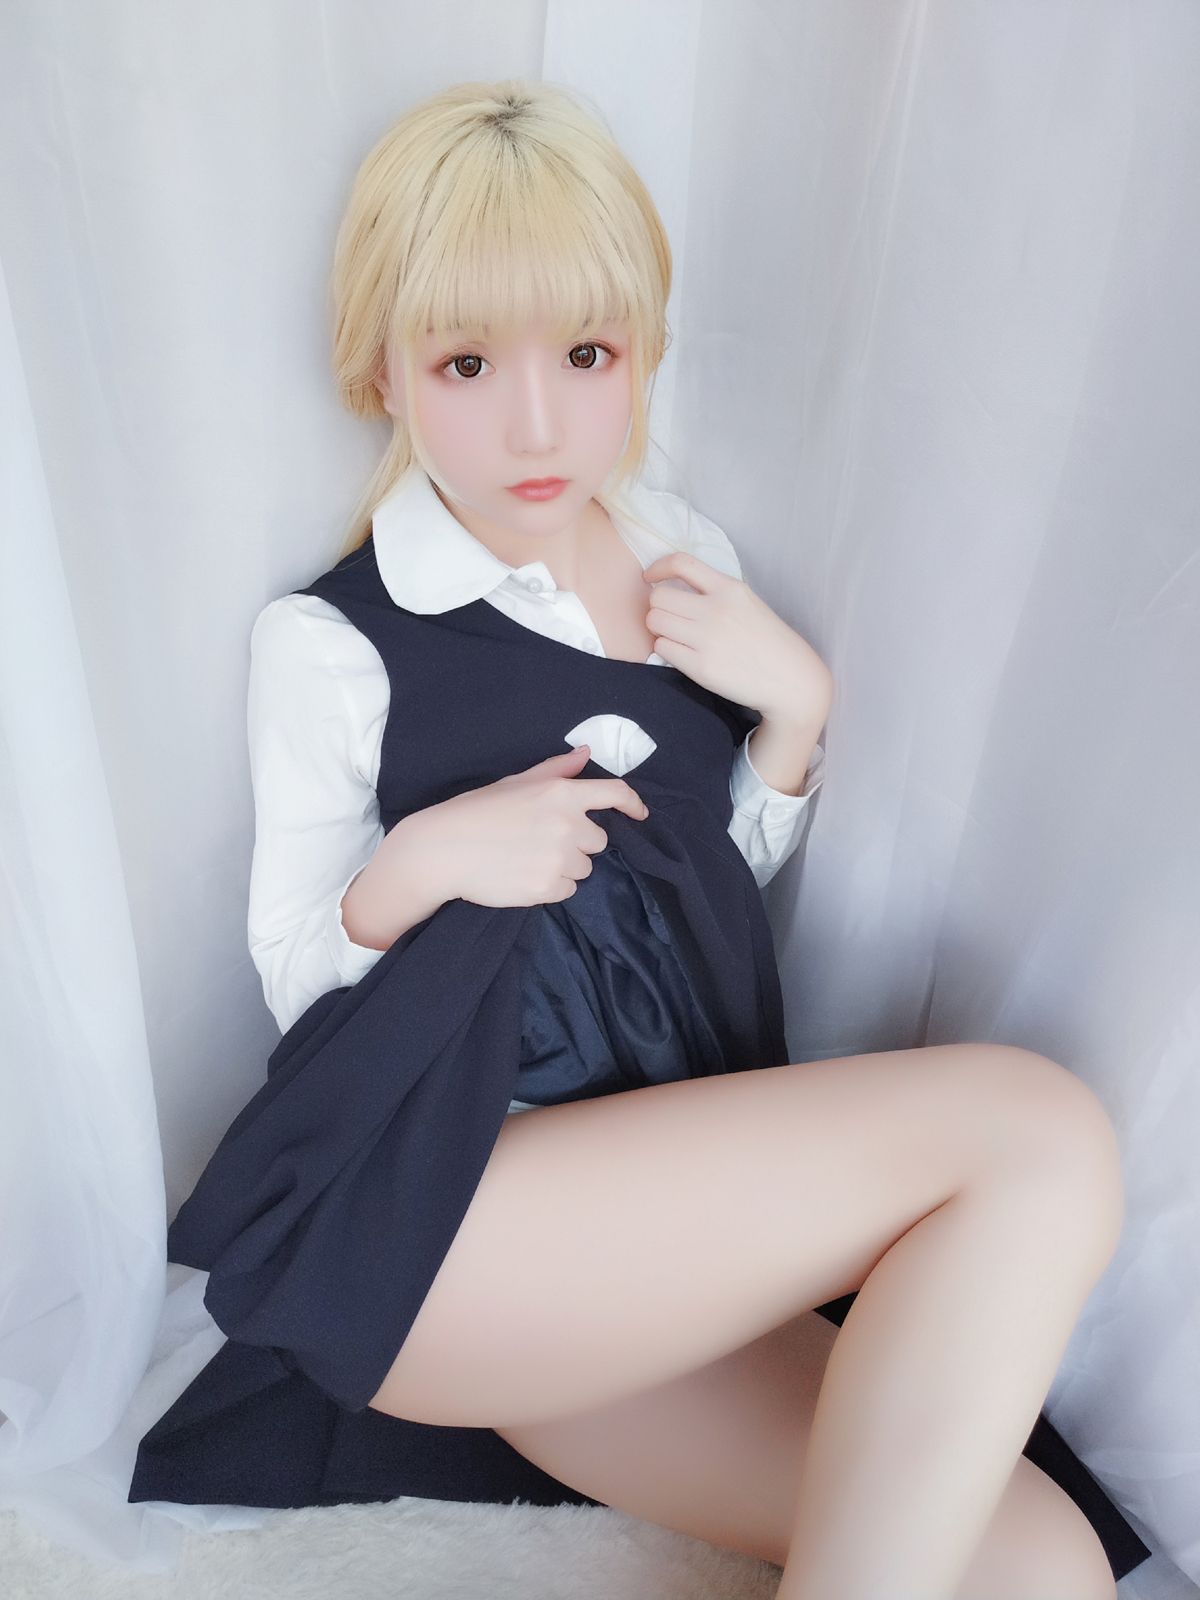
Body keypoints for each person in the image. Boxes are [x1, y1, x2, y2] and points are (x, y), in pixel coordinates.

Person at [129, 79, 1151, 1597]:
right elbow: (293, 970)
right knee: (1038, 1132)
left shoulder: (685, 563)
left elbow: (684, 907)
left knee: (1039, 1565)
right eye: (467, 363)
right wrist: (432, 863)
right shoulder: (337, 639)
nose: (537, 423)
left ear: (644, 353)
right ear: (379, 369)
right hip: (448, 1217)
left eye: (587, 355)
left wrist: (793, 717)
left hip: (641, 1240)